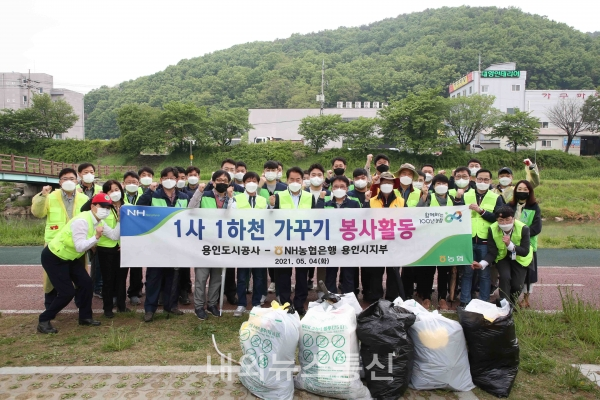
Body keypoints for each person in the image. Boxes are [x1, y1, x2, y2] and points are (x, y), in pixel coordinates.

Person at [37, 193, 113, 334]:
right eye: (102, 206)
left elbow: (114, 235)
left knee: (86, 283)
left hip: (70, 258)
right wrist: (96, 237)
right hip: (55, 257)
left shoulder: (99, 222)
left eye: (109, 207)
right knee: (67, 292)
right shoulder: (82, 221)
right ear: (93, 206)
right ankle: (44, 319)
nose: (106, 210)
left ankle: (85, 318)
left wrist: (120, 220)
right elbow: (80, 246)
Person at [31, 168, 89, 310]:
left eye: (72, 178)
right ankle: (50, 305)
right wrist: (43, 195)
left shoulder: (84, 199)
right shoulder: (50, 197)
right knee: (52, 277)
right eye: (65, 179)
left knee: (80, 276)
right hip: (54, 245)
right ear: (59, 182)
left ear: (77, 181)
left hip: (76, 245)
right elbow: (38, 213)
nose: (68, 181)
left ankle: (81, 304)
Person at [269, 166, 325, 315]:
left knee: (302, 274)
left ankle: (300, 303)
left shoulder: (309, 197)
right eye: (292, 179)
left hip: (303, 241)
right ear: (287, 180)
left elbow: (313, 219)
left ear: (302, 181)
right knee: (283, 274)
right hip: (284, 241)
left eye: (298, 179)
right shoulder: (279, 196)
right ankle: (286, 303)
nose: (295, 182)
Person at [137, 167, 189, 322]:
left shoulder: (184, 197)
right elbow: (139, 208)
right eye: (165, 177)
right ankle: (150, 309)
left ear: (177, 180)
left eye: (172, 177)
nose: (169, 180)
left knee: (172, 277)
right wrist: (148, 192)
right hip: (156, 243)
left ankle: (171, 305)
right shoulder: (153, 195)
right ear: (160, 180)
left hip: (175, 244)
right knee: (153, 277)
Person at [188, 170, 234, 320]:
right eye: (219, 180)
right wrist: (198, 192)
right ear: (213, 182)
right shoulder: (205, 195)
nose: (222, 182)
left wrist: (231, 198)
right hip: (204, 243)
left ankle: (212, 304)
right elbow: (191, 209)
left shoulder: (231, 198)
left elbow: (234, 217)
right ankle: (199, 306)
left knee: (217, 277)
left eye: (225, 180)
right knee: (201, 277)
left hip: (222, 244)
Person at [416, 174, 465, 310]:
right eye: (438, 184)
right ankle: (426, 298)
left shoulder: (451, 199)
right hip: (429, 241)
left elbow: (460, 214)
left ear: (448, 186)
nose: (441, 186)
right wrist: (423, 197)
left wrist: (459, 200)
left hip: (446, 241)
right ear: (434, 185)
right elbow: (417, 212)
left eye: (444, 183)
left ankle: (442, 298)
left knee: (444, 272)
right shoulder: (429, 197)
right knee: (428, 271)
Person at [81, 181, 128, 318]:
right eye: (110, 191)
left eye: (117, 189)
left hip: (123, 249)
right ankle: (107, 308)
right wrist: (119, 220)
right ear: (105, 194)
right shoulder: (103, 211)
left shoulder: (128, 207)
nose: (115, 193)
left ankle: (122, 305)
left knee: (122, 278)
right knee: (108, 279)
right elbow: (113, 235)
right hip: (106, 249)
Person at [472, 206, 532, 305]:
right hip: (502, 257)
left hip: (521, 258)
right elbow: (492, 252)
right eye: (501, 220)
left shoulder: (524, 228)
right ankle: (504, 305)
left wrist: (510, 245)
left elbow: (525, 251)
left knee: (517, 285)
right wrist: (481, 264)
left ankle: (511, 304)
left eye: (507, 219)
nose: (504, 223)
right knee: (504, 277)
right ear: (497, 220)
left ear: (513, 218)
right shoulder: (492, 228)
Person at [461, 169, 504, 306]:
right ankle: (464, 301)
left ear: (490, 181)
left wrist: (481, 211)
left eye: (486, 180)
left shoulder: (496, 197)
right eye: (480, 179)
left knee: (484, 274)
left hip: (485, 241)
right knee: (467, 273)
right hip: (468, 239)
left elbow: (498, 218)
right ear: (475, 179)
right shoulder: (466, 195)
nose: (482, 182)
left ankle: (484, 302)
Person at [229, 172, 268, 316]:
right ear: (244, 183)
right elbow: (231, 217)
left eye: (254, 180)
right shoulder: (236, 199)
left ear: (258, 183)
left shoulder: (263, 200)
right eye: (248, 180)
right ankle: (241, 304)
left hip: (259, 244)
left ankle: (256, 303)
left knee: (258, 276)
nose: (251, 183)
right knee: (242, 277)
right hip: (242, 243)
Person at [367, 171, 405, 302]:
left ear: (394, 185)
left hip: (396, 242)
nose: (386, 184)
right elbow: (365, 220)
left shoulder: (401, 201)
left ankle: (391, 298)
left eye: (389, 182)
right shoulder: (371, 201)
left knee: (393, 273)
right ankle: (376, 299)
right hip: (377, 242)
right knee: (376, 272)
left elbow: (406, 219)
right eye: (384, 182)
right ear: (380, 184)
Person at [323, 175, 361, 294]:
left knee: (348, 275)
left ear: (347, 188)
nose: (339, 189)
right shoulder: (325, 203)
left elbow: (361, 220)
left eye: (342, 186)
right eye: (336, 186)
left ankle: (349, 300)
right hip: (331, 244)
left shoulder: (354, 204)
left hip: (348, 245)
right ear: (331, 188)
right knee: (330, 274)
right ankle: (331, 299)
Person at [508, 180, 542, 308]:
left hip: (528, 244)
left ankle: (526, 299)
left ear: (530, 191)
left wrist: (524, 235)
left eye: (525, 189)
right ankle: (512, 298)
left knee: (529, 273)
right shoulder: (510, 205)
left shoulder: (534, 207)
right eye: (519, 189)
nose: (522, 191)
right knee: (513, 272)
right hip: (511, 244)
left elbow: (537, 227)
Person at [259, 160, 288, 294]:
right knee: (266, 257)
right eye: (268, 170)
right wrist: (259, 186)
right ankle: (268, 284)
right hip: (262, 228)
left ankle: (278, 284)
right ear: (264, 171)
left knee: (278, 256)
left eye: (273, 170)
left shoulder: (283, 187)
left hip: (280, 228)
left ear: (278, 171)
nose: (270, 173)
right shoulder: (260, 187)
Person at [77, 163, 104, 299]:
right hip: (81, 228)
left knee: (97, 260)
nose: (89, 174)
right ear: (79, 174)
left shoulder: (100, 189)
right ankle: (79, 288)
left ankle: (97, 287)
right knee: (78, 262)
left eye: (92, 172)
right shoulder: (74, 189)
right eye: (86, 172)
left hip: (97, 228)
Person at [123, 171, 145, 305]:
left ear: (139, 183)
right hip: (122, 236)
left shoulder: (145, 195)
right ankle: (117, 294)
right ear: (123, 183)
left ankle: (134, 292)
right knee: (121, 268)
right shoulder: (117, 196)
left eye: (134, 182)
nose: (131, 185)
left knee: (136, 267)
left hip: (140, 235)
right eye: (128, 182)